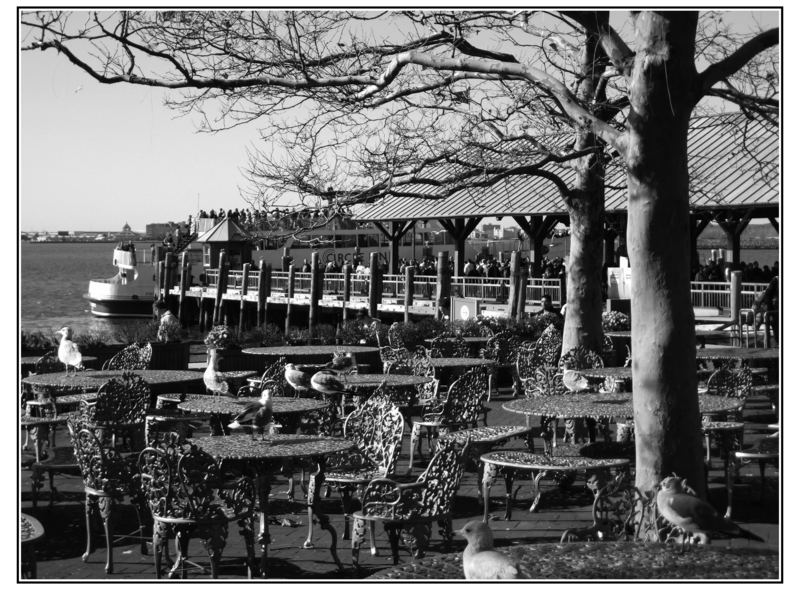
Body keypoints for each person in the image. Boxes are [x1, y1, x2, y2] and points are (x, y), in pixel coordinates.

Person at [750, 276, 778, 345]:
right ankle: (771, 343)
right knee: (774, 328)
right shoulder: (770, 293)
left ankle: (770, 343)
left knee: (772, 328)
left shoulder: (765, 293)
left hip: (765, 312)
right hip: (768, 312)